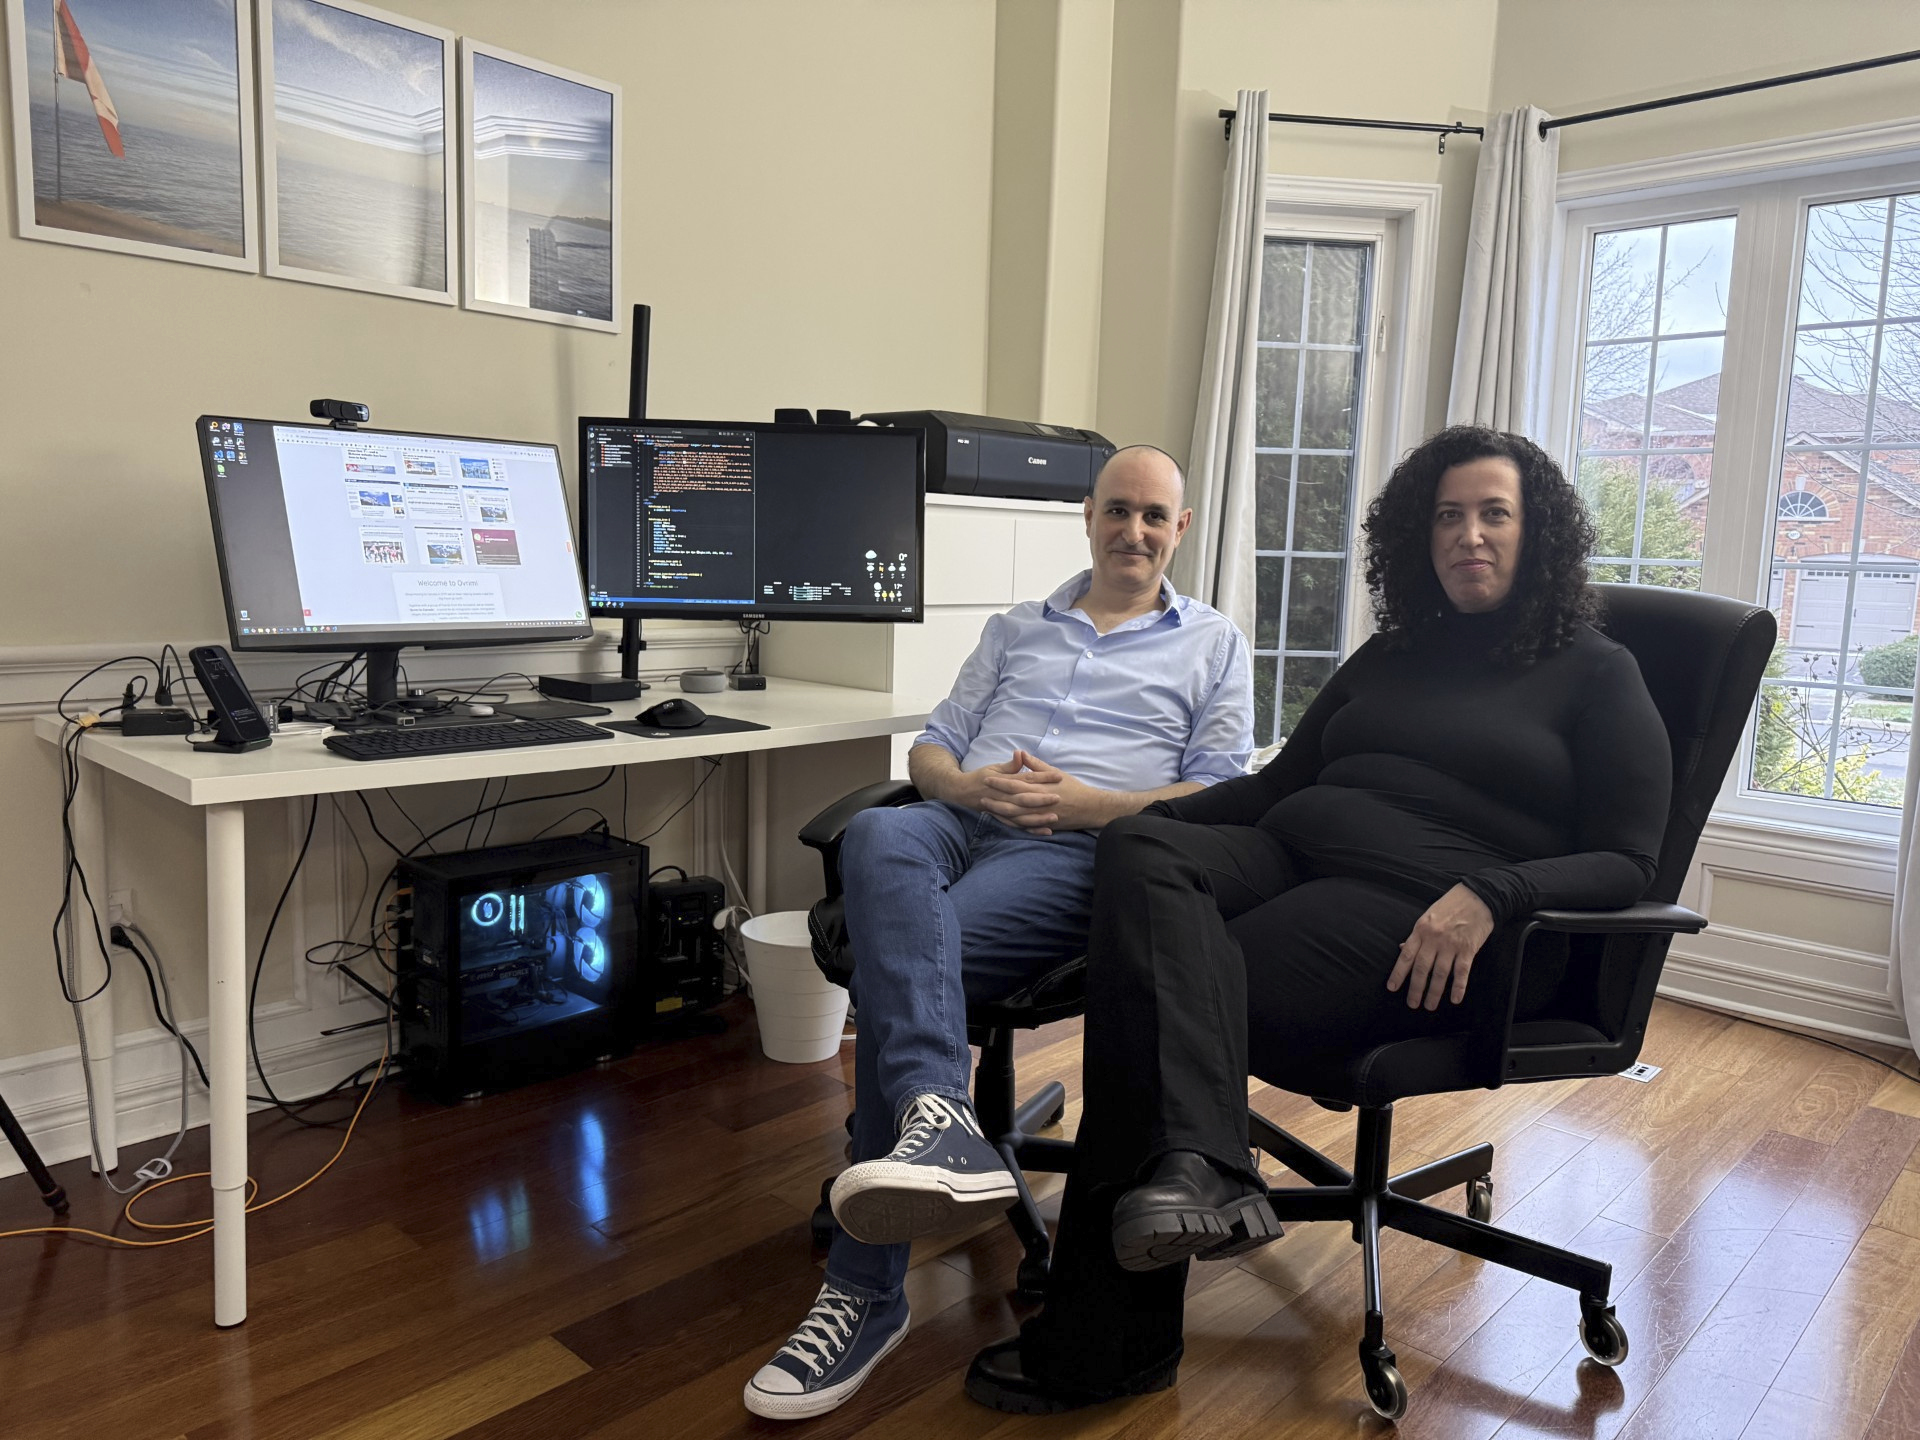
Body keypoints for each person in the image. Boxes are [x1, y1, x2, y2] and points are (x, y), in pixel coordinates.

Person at [964, 424, 1674, 1412]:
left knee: (1165, 991)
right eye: (1449, 516)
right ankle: (1198, 1172)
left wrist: (1492, 894)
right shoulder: (1393, 652)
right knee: (1146, 853)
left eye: (1495, 514)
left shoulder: (1598, 673)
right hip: (1291, 848)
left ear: (1537, 532)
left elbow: (1631, 859)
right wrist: (1113, 812)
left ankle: (1105, 1335)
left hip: (1421, 912)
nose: (1470, 535)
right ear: (1420, 538)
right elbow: (1281, 783)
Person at [743, 444, 1254, 1420]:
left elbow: (1219, 795)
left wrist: (1092, 802)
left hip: (1071, 852)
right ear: (1089, 516)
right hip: (956, 821)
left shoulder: (1212, 644)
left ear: (1179, 529)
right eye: (1117, 510)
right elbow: (931, 745)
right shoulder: (1018, 626)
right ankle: (943, 1114)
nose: (1133, 531)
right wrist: (965, 784)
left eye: (1154, 515)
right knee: (883, 827)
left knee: (905, 972)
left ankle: (864, 1293)